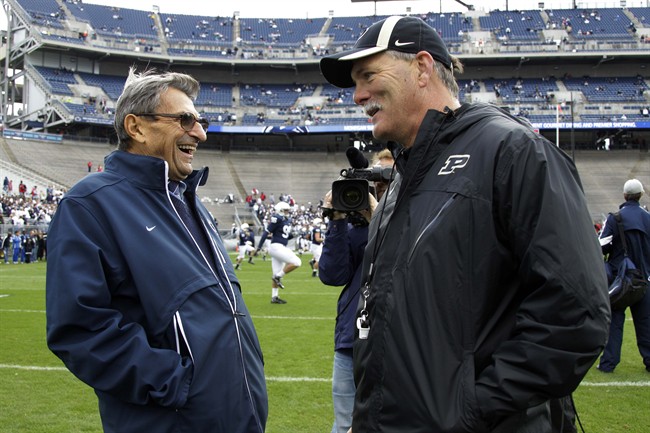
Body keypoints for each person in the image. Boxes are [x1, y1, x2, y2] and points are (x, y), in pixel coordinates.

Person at [320, 15, 610, 433]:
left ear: (421, 67)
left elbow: (576, 312)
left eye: (367, 75)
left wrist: (471, 411)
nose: (358, 94)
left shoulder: (512, 151)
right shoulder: (401, 179)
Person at [45, 67, 267, 433]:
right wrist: (176, 384)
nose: (200, 132)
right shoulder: (89, 204)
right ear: (136, 127)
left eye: (200, 121)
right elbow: (79, 328)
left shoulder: (191, 204)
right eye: (185, 119)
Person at [319, 148, 394, 433]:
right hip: (351, 341)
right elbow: (332, 275)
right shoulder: (355, 227)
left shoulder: (417, 217)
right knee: (344, 425)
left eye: (388, 176)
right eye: (375, 178)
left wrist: (379, 218)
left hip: (394, 343)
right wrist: (337, 221)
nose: (381, 184)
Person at [597, 178, 650, 373]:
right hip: (644, 278)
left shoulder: (616, 218)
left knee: (615, 323)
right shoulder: (648, 218)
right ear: (641, 195)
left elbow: (601, 246)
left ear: (625, 195)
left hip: (621, 279)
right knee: (645, 323)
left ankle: (608, 363)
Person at [256, 200, 301, 304]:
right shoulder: (277, 218)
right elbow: (266, 233)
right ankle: (278, 277)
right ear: (280, 210)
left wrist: (293, 234)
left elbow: (285, 235)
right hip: (276, 247)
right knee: (297, 262)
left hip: (278, 247)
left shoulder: (285, 221)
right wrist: (258, 247)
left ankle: (274, 297)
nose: (287, 213)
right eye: (285, 211)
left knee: (276, 272)